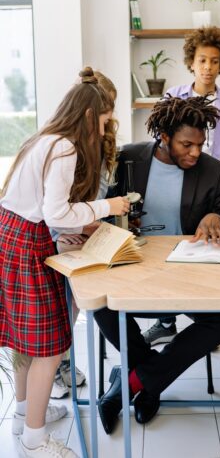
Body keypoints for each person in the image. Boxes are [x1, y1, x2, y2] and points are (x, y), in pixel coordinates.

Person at [0, 67, 130, 458]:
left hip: (15, 233)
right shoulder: (65, 147)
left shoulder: (44, 139)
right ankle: (34, 440)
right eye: (106, 119)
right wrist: (109, 206)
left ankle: (26, 415)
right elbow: (56, 212)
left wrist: (68, 223)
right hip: (26, 241)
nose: (107, 128)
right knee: (49, 346)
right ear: (91, 114)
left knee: (27, 339)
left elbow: (47, 211)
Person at [94, 95, 220, 435]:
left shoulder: (213, 170)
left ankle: (132, 380)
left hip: (186, 272)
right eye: (186, 144)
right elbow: (100, 204)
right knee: (100, 303)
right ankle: (148, 379)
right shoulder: (129, 158)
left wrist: (215, 216)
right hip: (133, 265)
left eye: (200, 145)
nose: (194, 152)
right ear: (164, 136)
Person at [143, 25, 220, 346]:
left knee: (206, 242)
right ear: (192, 62)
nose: (208, 67)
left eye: (214, 61)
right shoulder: (175, 95)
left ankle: (206, 314)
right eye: (202, 60)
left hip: (213, 179)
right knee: (169, 235)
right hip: (180, 176)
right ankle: (165, 318)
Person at [49, 71, 119, 399]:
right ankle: (58, 362)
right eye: (107, 111)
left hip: (84, 224)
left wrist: (90, 220)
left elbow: (99, 190)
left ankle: (61, 358)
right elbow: (57, 205)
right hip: (60, 228)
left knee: (76, 297)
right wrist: (80, 223)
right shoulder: (63, 145)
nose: (111, 119)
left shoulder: (103, 143)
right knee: (59, 302)